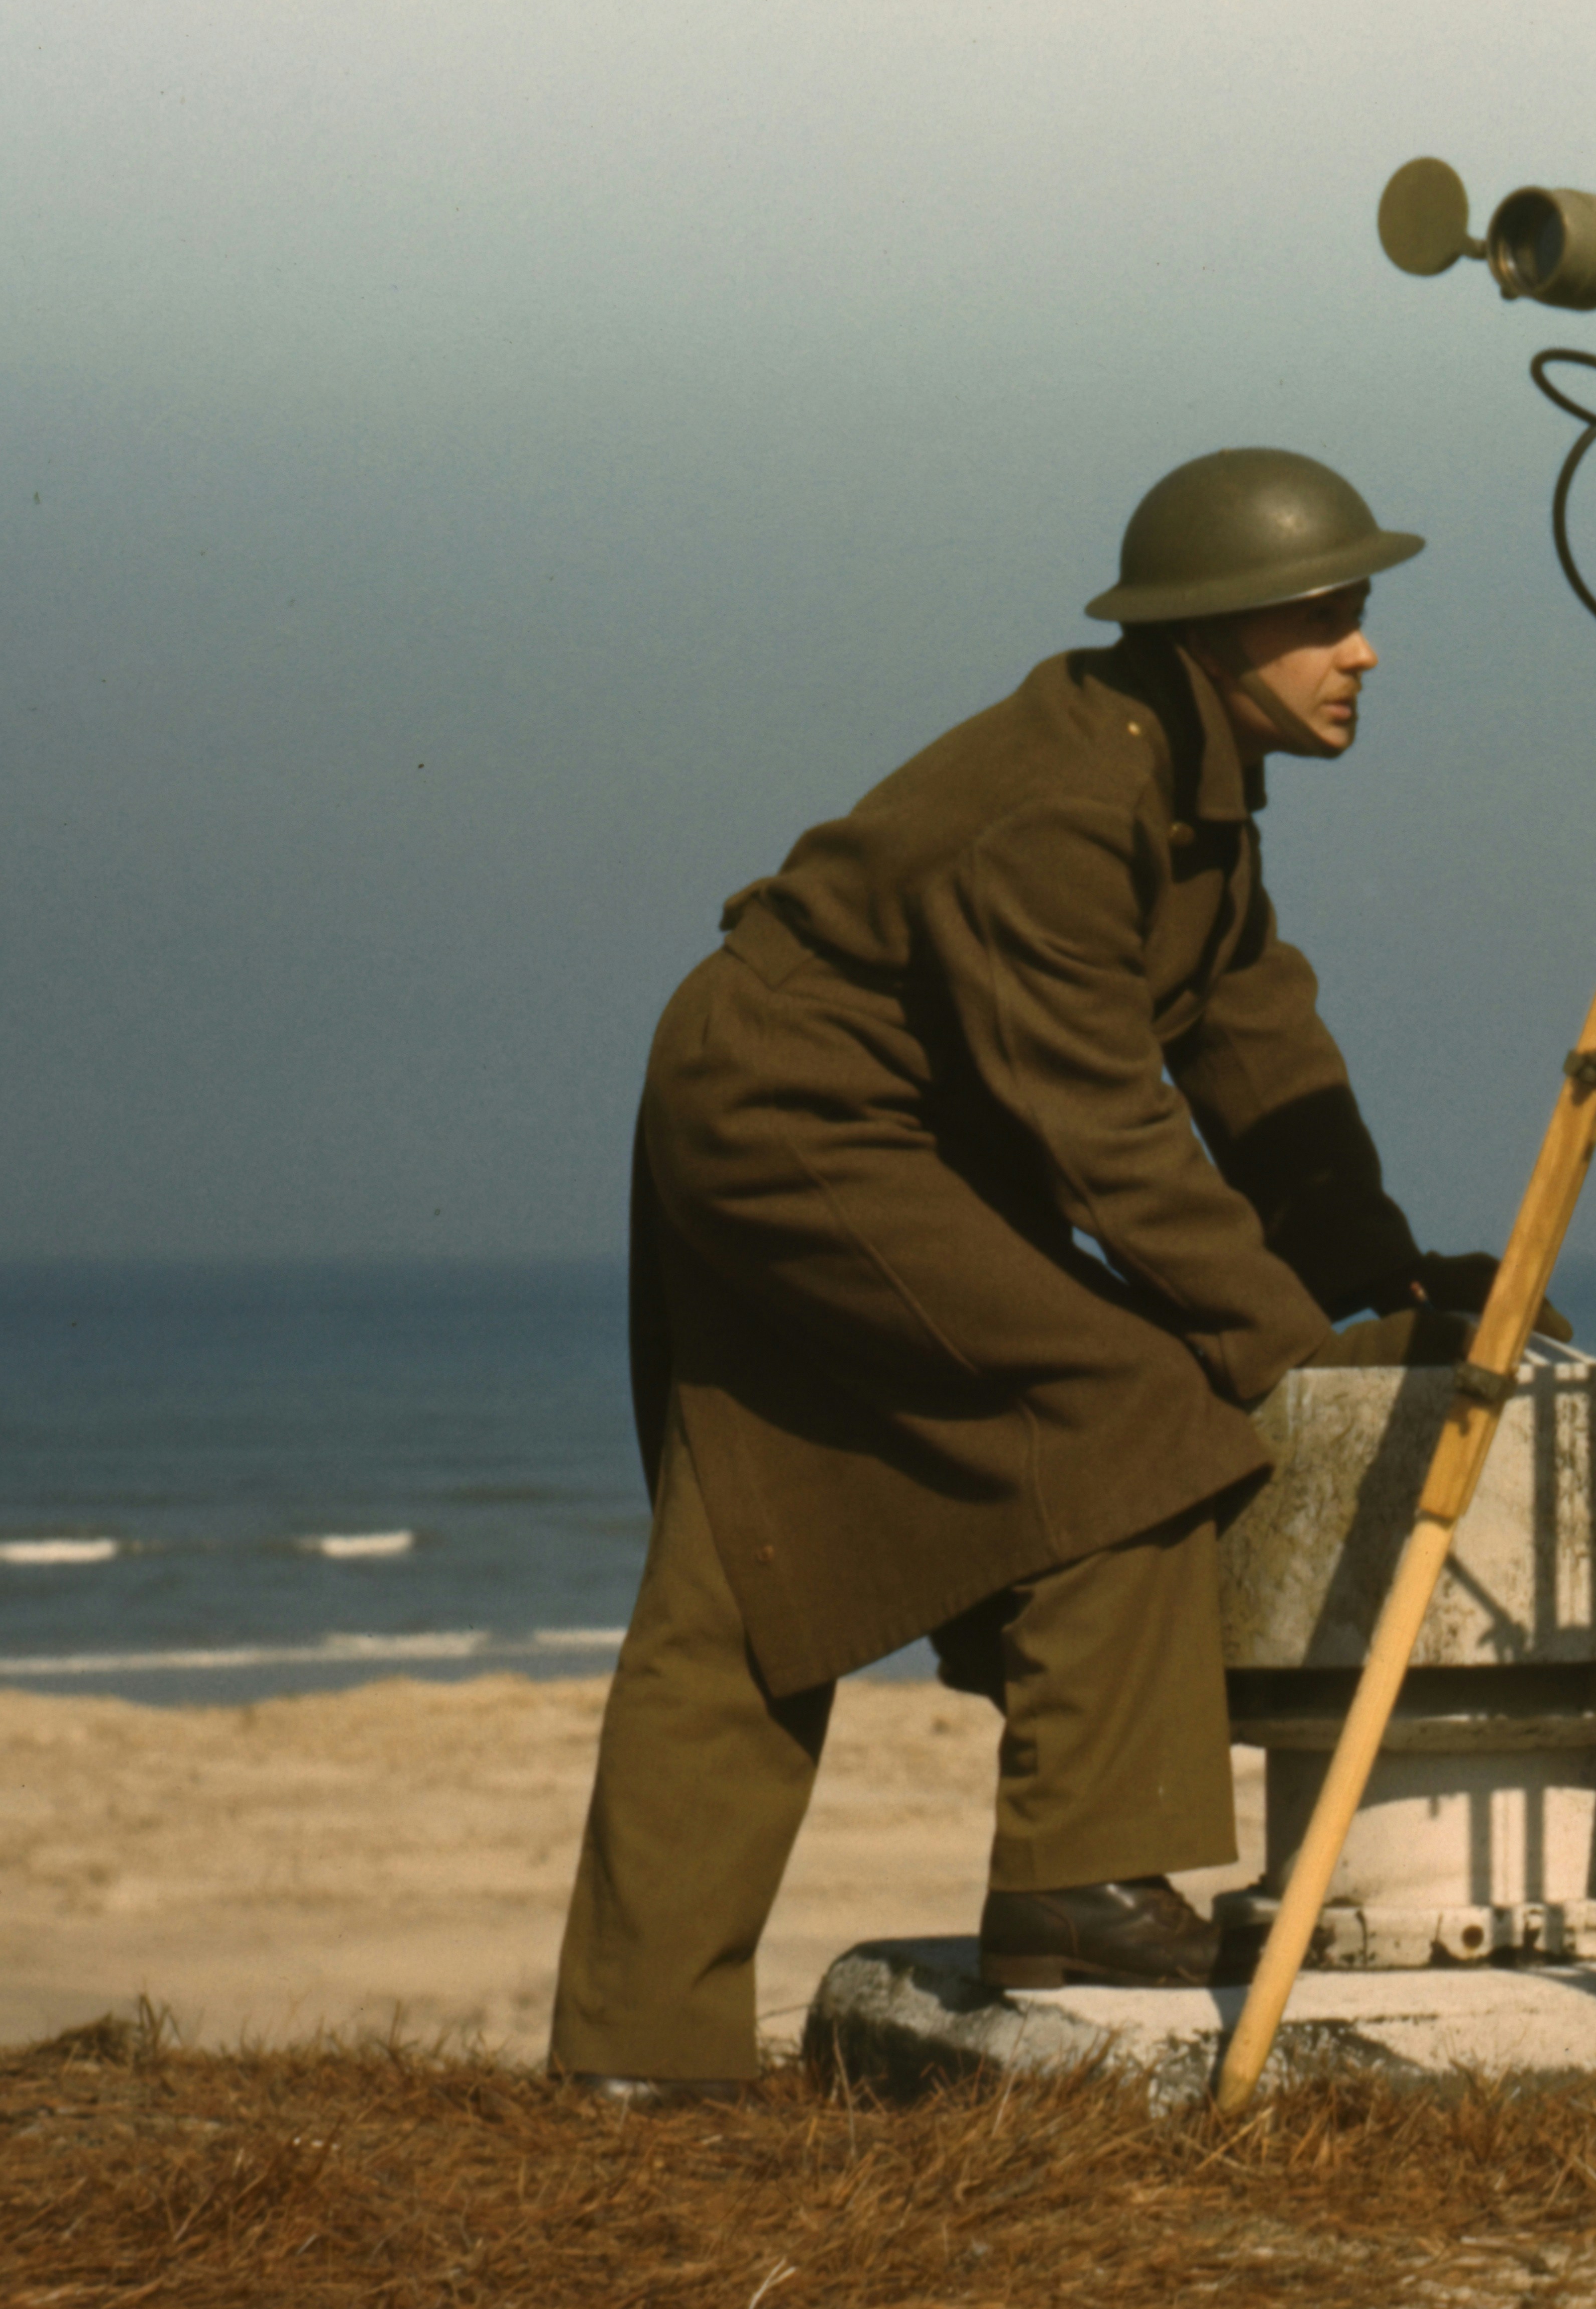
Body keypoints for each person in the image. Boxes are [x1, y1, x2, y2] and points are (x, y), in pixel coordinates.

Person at [550, 448, 1506, 2104]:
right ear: (1212, 631)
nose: (1362, 649)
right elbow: (1105, 1138)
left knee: (742, 1572)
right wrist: (1297, 1353)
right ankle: (1076, 1885)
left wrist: (1376, 1273)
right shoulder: (1068, 805)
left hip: (871, 1117)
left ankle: (643, 2057)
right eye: (1323, 617)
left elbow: (1251, 1036)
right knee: (1133, 1409)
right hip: (794, 1117)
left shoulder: (1182, 776)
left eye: (1358, 610)